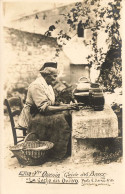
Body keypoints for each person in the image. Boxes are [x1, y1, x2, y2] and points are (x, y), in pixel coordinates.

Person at [19, 63, 78, 159]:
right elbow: (44, 108)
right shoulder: (36, 86)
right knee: (60, 119)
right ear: (46, 75)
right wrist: (67, 107)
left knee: (66, 114)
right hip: (33, 116)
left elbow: (51, 103)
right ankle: (55, 152)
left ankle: (65, 148)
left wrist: (69, 106)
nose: (56, 79)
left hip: (41, 113)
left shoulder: (47, 85)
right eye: (54, 76)